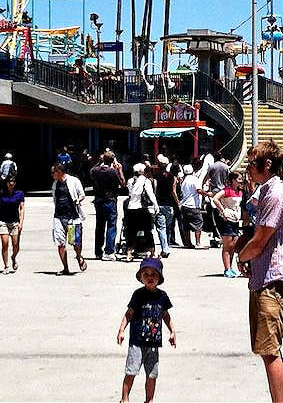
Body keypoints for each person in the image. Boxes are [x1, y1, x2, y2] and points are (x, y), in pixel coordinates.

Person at [237, 141, 283, 403]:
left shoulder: (275, 195)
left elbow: (260, 240)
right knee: (268, 349)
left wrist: (240, 256)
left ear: (268, 165)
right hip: (266, 279)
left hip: (273, 281)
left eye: (251, 163)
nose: (247, 168)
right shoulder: (267, 191)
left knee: (270, 350)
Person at [116, 258, 176, 403]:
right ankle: (125, 399)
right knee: (131, 372)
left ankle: (149, 400)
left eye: (154, 274)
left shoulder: (162, 296)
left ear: (159, 277)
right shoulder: (138, 294)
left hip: (153, 345)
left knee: (152, 375)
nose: (150, 277)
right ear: (141, 277)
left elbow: (165, 315)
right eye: (146, 274)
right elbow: (129, 313)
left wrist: (172, 331)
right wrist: (121, 330)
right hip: (137, 343)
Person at [50, 163, 87, 275]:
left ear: (59, 172)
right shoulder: (55, 184)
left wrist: (78, 200)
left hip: (72, 218)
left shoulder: (73, 181)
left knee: (75, 242)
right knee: (60, 243)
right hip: (59, 217)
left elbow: (82, 194)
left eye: (53, 172)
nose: (52, 175)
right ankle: (65, 267)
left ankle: (79, 256)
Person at [91, 150, 124, 261]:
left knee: (99, 226)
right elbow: (122, 183)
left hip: (98, 200)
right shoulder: (112, 171)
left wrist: (98, 162)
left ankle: (98, 251)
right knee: (111, 226)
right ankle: (109, 251)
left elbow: (91, 171)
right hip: (110, 200)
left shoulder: (95, 171)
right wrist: (119, 169)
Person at [212, 172, 244, 277]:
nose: (241, 180)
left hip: (236, 220)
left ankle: (230, 267)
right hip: (227, 220)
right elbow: (215, 199)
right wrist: (223, 211)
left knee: (233, 245)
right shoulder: (227, 190)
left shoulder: (240, 191)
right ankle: (227, 269)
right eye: (239, 178)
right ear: (233, 180)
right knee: (227, 246)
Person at [125, 163, 158, 262]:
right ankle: (152, 252)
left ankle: (129, 253)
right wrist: (156, 205)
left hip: (131, 209)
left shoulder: (130, 181)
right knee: (148, 231)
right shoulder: (145, 181)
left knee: (131, 232)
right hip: (142, 209)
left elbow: (130, 193)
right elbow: (150, 194)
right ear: (143, 171)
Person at [0, 177, 24, 273]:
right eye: (9, 182)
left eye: (13, 181)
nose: (11, 183)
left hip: (15, 222)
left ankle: (13, 257)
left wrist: (21, 222)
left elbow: (22, 208)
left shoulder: (19, 194)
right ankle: (6, 266)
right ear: (6, 183)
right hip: (3, 221)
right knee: (5, 244)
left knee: (16, 245)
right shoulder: (2, 193)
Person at [153, 155, 176, 259]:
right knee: (168, 228)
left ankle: (165, 248)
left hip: (160, 203)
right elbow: (173, 190)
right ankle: (166, 247)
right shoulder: (171, 176)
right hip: (169, 204)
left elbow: (155, 188)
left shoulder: (157, 176)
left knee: (161, 228)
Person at [178, 164, 203, 248]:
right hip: (193, 205)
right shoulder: (195, 179)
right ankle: (198, 243)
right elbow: (199, 190)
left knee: (186, 225)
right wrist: (207, 194)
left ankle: (188, 242)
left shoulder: (184, 181)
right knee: (198, 223)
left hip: (185, 205)